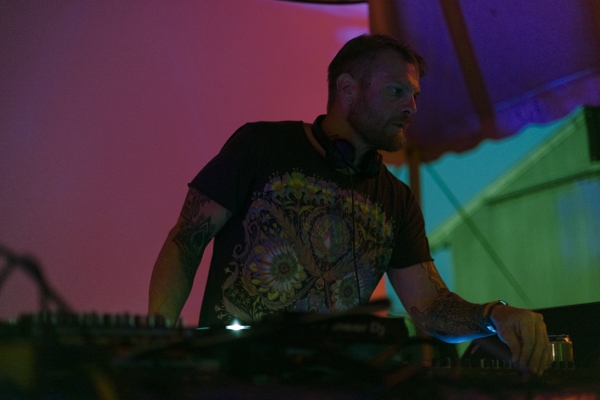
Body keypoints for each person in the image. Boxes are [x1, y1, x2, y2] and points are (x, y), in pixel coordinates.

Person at [149, 34, 552, 375]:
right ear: (347, 90)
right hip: (235, 378)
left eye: (414, 95)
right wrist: (155, 346)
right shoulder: (260, 146)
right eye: (396, 91)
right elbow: (186, 242)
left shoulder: (397, 199)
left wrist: (493, 315)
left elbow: (430, 307)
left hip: (332, 383)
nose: (411, 107)